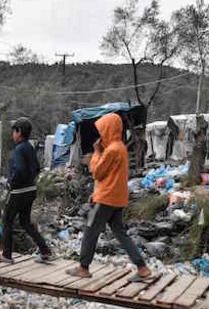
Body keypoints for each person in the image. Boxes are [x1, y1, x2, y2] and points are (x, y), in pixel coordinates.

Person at [66, 113, 154, 280]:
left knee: (91, 230)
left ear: (109, 130)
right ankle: (142, 268)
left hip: (106, 199)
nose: (100, 135)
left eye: (102, 131)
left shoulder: (111, 150)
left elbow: (97, 172)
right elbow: (110, 177)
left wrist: (96, 152)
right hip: (117, 199)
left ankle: (83, 268)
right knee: (120, 233)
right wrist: (96, 193)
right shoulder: (120, 147)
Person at [0, 117, 54, 263]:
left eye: (14, 131)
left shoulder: (19, 149)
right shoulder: (29, 147)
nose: (12, 134)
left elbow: (20, 169)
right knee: (25, 222)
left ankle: (6, 255)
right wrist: (29, 180)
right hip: (31, 190)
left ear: (19, 132)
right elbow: (37, 168)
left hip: (19, 192)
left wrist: (12, 183)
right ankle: (45, 251)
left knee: (7, 221)